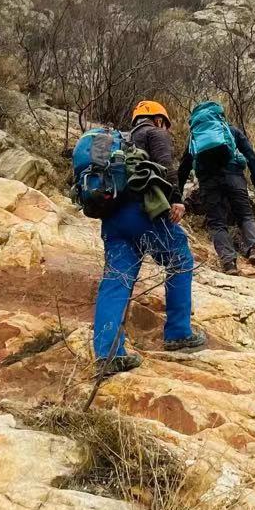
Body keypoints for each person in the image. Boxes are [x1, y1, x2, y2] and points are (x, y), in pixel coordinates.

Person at [89, 99, 207, 376]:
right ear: (158, 120)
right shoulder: (155, 133)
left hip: (113, 219)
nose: (165, 127)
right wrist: (176, 200)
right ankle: (178, 332)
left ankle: (107, 355)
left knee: (116, 280)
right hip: (143, 213)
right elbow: (165, 166)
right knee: (179, 257)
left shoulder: (117, 142)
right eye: (165, 123)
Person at [178, 105, 255, 275]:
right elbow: (250, 155)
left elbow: (183, 167)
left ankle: (229, 263)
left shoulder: (195, 137)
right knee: (245, 215)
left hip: (208, 182)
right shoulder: (231, 130)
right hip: (234, 176)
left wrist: (177, 195)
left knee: (216, 223)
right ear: (220, 116)